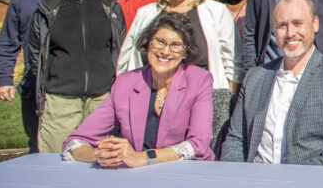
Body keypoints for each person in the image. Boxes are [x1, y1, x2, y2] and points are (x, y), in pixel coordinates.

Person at [221, 0, 323, 165]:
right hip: (254, 182)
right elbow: (236, 139)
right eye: (282, 25)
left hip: (308, 185)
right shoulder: (255, 78)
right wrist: (238, 178)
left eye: (297, 23)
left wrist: (295, 181)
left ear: (315, 23)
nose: (290, 33)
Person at [118, 0, 238, 149]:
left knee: (200, 155)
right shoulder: (146, 13)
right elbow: (126, 61)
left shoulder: (216, 11)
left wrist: (227, 102)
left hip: (204, 102)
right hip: (152, 101)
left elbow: (233, 61)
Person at [62, 12, 214, 165]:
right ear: (147, 43)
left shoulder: (199, 80)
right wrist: (100, 156)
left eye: (176, 45)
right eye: (159, 42)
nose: (165, 51)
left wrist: (144, 157)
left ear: (186, 52)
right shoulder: (126, 83)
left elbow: (198, 144)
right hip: (137, 175)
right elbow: (75, 142)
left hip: (187, 173)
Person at [27, 0, 126, 154]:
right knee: (55, 158)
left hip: (102, 97)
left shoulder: (111, 8)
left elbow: (120, 50)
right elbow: (36, 54)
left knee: (100, 159)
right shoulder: (48, 9)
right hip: (60, 99)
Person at [0, 0, 76, 153]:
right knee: (38, 146)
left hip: (79, 87)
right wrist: (4, 78)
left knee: (80, 145)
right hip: (36, 84)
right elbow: (8, 39)